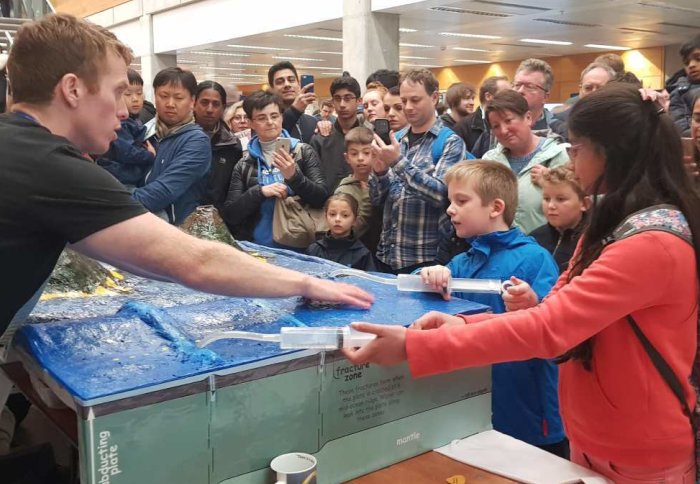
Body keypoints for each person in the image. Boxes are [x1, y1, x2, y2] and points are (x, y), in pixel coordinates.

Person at [344, 84, 700, 483]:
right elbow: (551, 312)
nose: (570, 158)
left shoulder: (651, 244)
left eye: (577, 148)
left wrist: (416, 346)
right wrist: (461, 323)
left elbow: (549, 328)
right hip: (599, 438)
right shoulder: (618, 225)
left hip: (638, 451)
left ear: (610, 153)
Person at [1, 13, 373, 363]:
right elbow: (194, 262)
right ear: (72, 89)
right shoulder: (47, 165)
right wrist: (307, 283)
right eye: (117, 92)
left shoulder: (19, 148)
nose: (124, 110)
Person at [418, 160, 566, 457]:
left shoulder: (535, 259)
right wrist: (429, 275)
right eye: (450, 201)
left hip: (529, 416)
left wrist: (535, 303)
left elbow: (558, 328)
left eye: (461, 201)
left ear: (496, 207)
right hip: (473, 408)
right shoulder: (461, 263)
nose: (450, 210)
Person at [370, 69, 466, 273]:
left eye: (415, 100)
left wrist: (397, 162)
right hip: (387, 255)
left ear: (434, 97)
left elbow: (441, 195)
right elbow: (378, 200)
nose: (408, 107)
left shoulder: (450, 142)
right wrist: (379, 173)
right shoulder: (398, 139)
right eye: (404, 101)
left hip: (425, 260)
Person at [221, 90, 326, 247]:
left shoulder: (303, 151)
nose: (270, 122)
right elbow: (231, 214)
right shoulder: (244, 164)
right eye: (261, 118)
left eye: (274, 116)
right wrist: (260, 191)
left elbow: (321, 198)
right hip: (258, 247)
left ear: (282, 117)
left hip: (301, 245)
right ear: (250, 123)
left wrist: (294, 177)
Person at [482, 90, 569, 234]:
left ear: (528, 118)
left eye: (508, 121)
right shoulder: (489, 162)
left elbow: (576, 207)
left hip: (546, 245)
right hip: (501, 245)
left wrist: (552, 184)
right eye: (496, 126)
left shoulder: (558, 155)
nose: (503, 130)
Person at [132, 67, 211, 225]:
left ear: (192, 101)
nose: (170, 104)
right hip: (136, 224)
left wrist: (117, 204)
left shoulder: (196, 141)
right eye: (163, 96)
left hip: (175, 228)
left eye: (178, 98)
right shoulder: (142, 131)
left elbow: (164, 192)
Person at [310, 75, 373, 194]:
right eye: (337, 99)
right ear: (333, 102)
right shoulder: (320, 139)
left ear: (359, 101)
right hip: (327, 203)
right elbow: (313, 181)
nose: (342, 104)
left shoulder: (370, 138)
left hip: (364, 201)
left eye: (348, 98)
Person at [96, 68, 155, 187]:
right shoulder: (120, 124)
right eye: (128, 94)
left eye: (139, 93)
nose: (135, 99)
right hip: (121, 179)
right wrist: (149, 155)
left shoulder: (135, 121)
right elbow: (128, 152)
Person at [193, 81, 243, 211]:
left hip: (217, 216)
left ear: (223, 108)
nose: (209, 109)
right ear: (194, 103)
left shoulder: (232, 146)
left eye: (216, 104)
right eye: (204, 103)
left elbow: (231, 191)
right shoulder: (179, 138)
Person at [530, 166, 589, 273]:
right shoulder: (534, 238)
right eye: (546, 199)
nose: (551, 206)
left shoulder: (592, 241)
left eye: (561, 199)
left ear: (584, 204)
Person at [306, 193, 376, 272]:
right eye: (332, 214)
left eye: (345, 215)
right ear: (325, 217)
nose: (337, 219)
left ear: (355, 220)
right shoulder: (314, 249)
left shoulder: (362, 254)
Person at [335, 126, 376, 240]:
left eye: (366, 153)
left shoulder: (384, 182)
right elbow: (348, 231)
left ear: (376, 153)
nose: (360, 158)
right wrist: (367, 198)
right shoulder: (344, 191)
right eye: (354, 154)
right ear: (347, 157)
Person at [455, 76, 511, 157]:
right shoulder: (463, 127)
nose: (511, 97)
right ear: (488, 96)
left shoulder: (513, 122)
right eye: (505, 94)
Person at [513, 58, 567, 139]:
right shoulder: (498, 125)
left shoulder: (559, 130)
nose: (520, 91)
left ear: (545, 97)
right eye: (517, 85)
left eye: (529, 87)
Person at [268, 61, 318, 143]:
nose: (287, 84)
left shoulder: (312, 122)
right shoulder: (266, 121)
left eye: (291, 80)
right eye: (280, 82)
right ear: (272, 88)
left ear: (298, 84)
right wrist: (295, 110)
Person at [670, 34, 700, 137]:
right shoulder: (679, 93)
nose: (691, 65)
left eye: (698, 59)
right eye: (686, 63)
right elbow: (681, 128)